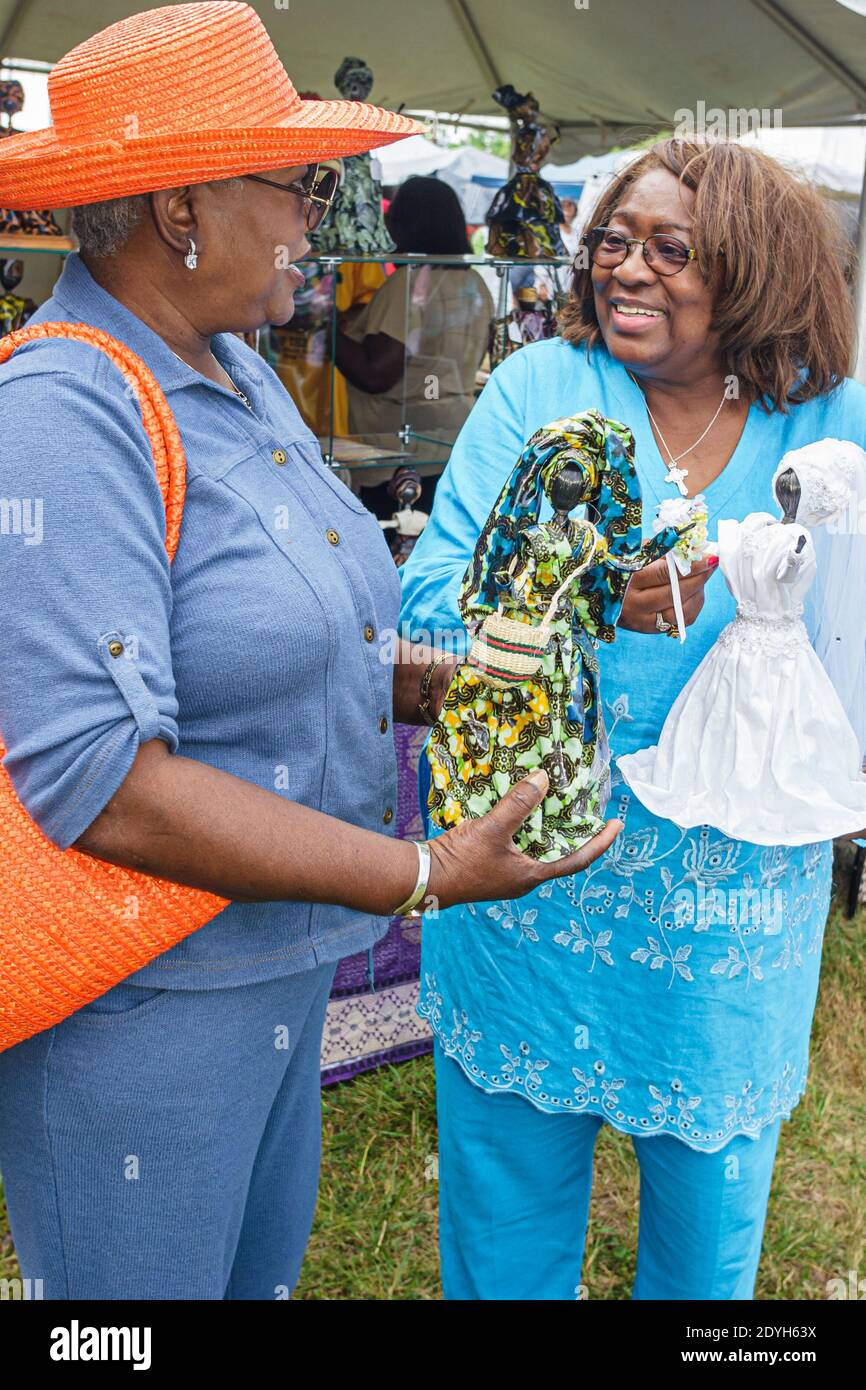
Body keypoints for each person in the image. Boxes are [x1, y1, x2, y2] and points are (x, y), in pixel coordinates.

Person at [0, 1, 618, 1301]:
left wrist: (432, 681)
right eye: (300, 186)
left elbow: (274, 632)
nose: (327, 222)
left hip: (271, 964)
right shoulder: (65, 408)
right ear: (182, 211)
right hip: (146, 1000)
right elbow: (103, 778)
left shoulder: (234, 365)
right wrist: (421, 870)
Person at [399, 135, 866, 1300]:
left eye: (670, 248)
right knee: (505, 1222)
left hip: (727, 906)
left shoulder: (827, 425)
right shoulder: (540, 391)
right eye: (612, 240)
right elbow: (427, 600)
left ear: (753, 268)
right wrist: (586, 592)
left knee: (704, 1247)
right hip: (531, 875)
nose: (626, 269)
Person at [335, 176, 494, 444]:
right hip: (452, 433)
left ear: (408, 224)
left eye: (393, 216)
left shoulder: (409, 283)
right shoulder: (475, 283)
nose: (387, 224)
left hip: (398, 443)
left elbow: (378, 374)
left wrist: (326, 327)